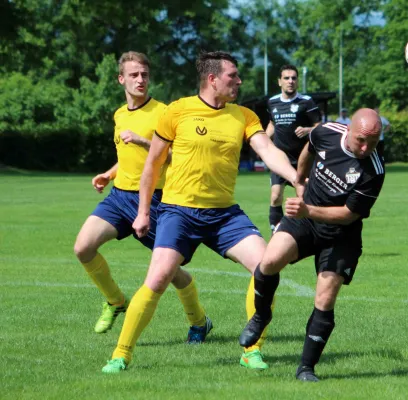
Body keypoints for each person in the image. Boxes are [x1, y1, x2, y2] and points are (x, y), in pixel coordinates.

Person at [102, 51, 299, 374]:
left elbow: (267, 149)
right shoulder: (177, 111)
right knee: (158, 277)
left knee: (267, 267)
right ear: (212, 79)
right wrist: (142, 212)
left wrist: (293, 177)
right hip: (178, 212)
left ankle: (252, 350)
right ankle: (121, 354)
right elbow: (152, 164)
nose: (238, 81)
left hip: (224, 215)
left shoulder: (244, 116)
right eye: (232, 76)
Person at [239, 109, 385, 382]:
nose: (366, 148)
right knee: (269, 262)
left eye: (373, 142)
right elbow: (308, 149)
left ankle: (306, 368)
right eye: (361, 140)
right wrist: (300, 180)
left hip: (341, 235)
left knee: (325, 299)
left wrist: (308, 209)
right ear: (349, 128)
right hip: (305, 220)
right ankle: (260, 316)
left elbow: (348, 214)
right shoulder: (326, 132)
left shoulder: (373, 171)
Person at [73, 51, 207, 341]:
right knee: (83, 248)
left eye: (144, 74)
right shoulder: (120, 114)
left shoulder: (164, 112)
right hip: (119, 197)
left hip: (155, 200)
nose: (140, 79)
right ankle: (115, 301)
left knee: (170, 271)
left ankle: (199, 322)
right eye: (134, 75)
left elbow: (174, 156)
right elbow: (127, 156)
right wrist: (109, 175)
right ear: (121, 79)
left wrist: (145, 140)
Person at [266, 64, 321, 232]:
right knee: (275, 197)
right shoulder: (272, 102)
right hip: (280, 159)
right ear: (279, 81)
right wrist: (261, 140)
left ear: (297, 81)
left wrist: (308, 130)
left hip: (302, 159)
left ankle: (309, 231)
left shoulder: (306, 102)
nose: (290, 81)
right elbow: (272, 125)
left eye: (294, 78)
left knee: (303, 197)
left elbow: (320, 127)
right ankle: (276, 231)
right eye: (286, 78)